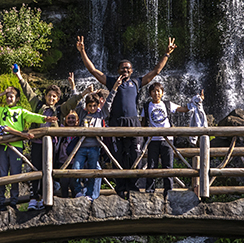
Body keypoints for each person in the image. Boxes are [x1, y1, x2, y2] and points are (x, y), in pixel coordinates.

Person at [76, 35, 177, 196]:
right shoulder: (111, 82)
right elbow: (93, 70)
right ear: (118, 70)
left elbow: (156, 71)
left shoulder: (136, 82)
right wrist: (82, 51)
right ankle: (121, 186)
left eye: (128, 68)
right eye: (122, 68)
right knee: (118, 155)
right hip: (116, 122)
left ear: (132, 70)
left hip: (133, 122)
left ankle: (133, 186)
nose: (125, 70)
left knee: (135, 154)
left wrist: (167, 53)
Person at [15, 69, 85, 209]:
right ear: (45, 96)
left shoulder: (59, 111)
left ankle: (46, 197)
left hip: (52, 145)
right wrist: (19, 76)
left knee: (49, 170)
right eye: (49, 96)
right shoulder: (38, 106)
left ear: (57, 99)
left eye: (54, 97)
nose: (51, 98)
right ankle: (34, 198)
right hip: (36, 143)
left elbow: (71, 104)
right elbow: (29, 93)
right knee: (36, 169)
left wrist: (83, 93)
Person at [0, 87, 57, 210]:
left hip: (17, 146)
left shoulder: (21, 111)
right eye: (7, 96)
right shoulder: (1, 110)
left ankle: (14, 201)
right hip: (2, 147)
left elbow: (32, 116)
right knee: (2, 175)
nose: (9, 98)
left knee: (15, 174)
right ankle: (1, 202)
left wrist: (45, 119)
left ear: (17, 98)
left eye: (11, 96)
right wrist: (1, 93)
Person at [62, 75, 122, 199]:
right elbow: (76, 102)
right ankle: (78, 192)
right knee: (76, 169)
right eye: (90, 106)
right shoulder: (83, 113)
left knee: (94, 171)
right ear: (87, 106)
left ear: (98, 104)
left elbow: (110, 100)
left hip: (95, 147)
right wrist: (73, 86)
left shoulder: (102, 113)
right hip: (81, 147)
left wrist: (115, 87)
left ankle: (90, 194)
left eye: (94, 105)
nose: (92, 108)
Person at [140, 83, 192, 194]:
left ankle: (168, 190)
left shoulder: (168, 104)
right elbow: (143, 123)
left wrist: (196, 101)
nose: (156, 93)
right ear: (150, 93)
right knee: (151, 166)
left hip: (167, 140)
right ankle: (150, 190)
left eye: (158, 91)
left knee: (168, 165)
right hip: (152, 140)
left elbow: (184, 109)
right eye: (153, 91)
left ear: (162, 93)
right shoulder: (146, 106)